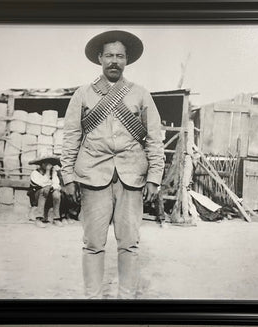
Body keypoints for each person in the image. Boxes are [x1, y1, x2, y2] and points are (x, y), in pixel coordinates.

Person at [61, 30, 165, 299]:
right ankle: (93, 301)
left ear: (126, 60)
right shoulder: (82, 95)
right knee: (93, 244)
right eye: (109, 55)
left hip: (132, 177)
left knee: (129, 244)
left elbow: (154, 138)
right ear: (100, 58)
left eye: (120, 56)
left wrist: (154, 177)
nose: (114, 61)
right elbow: (71, 138)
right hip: (93, 176)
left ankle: (126, 301)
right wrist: (68, 177)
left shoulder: (141, 94)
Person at [27, 155, 66, 228]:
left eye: (49, 163)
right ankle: (39, 218)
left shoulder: (53, 172)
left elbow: (56, 183)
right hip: (37, 197)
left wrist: (54, 187)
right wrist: (47, 172)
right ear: (41, 164)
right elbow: (43, 184)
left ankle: (56, 218)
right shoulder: (35, 173)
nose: (48, 165)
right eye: (46, 163)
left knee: (57, 193)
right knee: (45, 189)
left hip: (48, 195)